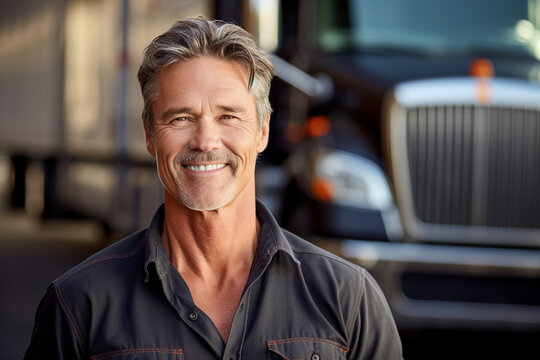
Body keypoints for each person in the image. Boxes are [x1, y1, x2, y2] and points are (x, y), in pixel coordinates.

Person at [24, 16, 403, 359]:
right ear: (150, 136)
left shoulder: (348, 299)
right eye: (181, 117)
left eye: (228, 116)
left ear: (263, 131)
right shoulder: (78, 305)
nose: (205, 140)